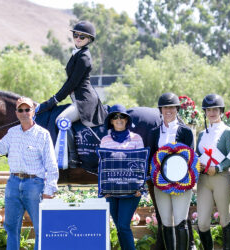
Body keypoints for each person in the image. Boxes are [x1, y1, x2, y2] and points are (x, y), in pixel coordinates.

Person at [0, 97, 59, 250]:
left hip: (34, 185)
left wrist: (50, 189)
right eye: (20, 110)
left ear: (33, 112)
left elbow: (51, 164)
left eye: (27, 109)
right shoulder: (12, 133)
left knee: (40, 228)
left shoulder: (43, 135)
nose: (24, 113)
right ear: (16, 113)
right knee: (11, 227)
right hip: (13, 184)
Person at [38, 20, 107, 168]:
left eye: (82, 37)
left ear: (89, 39)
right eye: (76, 35)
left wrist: (53, 100)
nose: (78, 38)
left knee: (62, 120)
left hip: (85, 101)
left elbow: (72, 83)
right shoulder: (77, 53)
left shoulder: (84, 57)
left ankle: (74, 157)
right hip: (78, 98)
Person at [148, 92, 194, 250]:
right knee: (166, 222)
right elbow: (151, 158)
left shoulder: (186, 132)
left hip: (181, 183)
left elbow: (191, 159)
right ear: (160, 109)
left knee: (181, 221)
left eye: (172, 107)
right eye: (165, 107)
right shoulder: (154, 133)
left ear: (177, 109)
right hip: (161, 184)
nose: (168, 110)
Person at [99, 104, 144, 250]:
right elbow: (102, 166)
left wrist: (140, 187)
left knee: (124, 225)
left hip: (131, 192)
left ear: (126, 120)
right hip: (111, 192)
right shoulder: (105, 140)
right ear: (111, 121)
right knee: (119, 227)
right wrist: (103, 188)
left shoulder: (136, 139)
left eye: (122, 116)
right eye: (115, 117)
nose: (119, 119)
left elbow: (141, 165)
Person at [196, 94, 230, 250]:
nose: (212, 113)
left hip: (222, 178)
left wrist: (218, 168)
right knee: (203, 223)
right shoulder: (201, 134)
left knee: (225, 219)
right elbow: (197, 154)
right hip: (203, 180)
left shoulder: (227, 132)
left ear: (221, 111)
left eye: (215, 110)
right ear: (205, 112)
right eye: (208, 110)